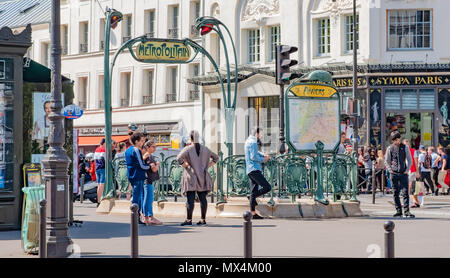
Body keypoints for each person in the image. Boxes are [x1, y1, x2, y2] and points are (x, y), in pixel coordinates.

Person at [177, 130, 219, 226]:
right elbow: (216, 158)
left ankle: (188, 220)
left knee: (190, 199)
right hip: (202, 176)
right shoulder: (205, 149)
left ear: (191, 138)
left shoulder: (188, 149)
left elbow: (178, 158)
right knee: (202, 198)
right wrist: (207, 166)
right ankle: (203, 219)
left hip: (191, 175)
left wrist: (186, 165)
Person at [385, 132, 414, 218]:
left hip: (403, 173)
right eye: (396, 140)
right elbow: (386, 161)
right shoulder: (390, 148)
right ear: (393, 140)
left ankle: (406, 211)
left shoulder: (405, 147)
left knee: (405, 192)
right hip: (394, 173)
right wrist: (390, 170)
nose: (398, 141)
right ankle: (398, 211)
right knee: (395, 193)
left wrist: (407, 170)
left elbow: (410, 160)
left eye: (399, 139)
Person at [244, 127, 271, 219]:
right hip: (254, 169)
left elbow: (255, 152)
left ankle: (253, 213)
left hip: (250, 169)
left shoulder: (248, 141)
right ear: (257, 134)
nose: (261, 136)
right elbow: (253, 156)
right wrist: (264, 159)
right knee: (267, 187)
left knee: (254, 190)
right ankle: (251, 197)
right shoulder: (253, 142)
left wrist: (263, 155)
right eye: (261, 134)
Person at [126, 132, 150, 225]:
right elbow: (141, 164)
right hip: (137, 174)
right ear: (136, 141)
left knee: (136, 195)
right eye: (142, 141)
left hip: (131, 174)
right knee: (137, 196)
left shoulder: (128, 150)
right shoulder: (136, 150)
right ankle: (136, 217)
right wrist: (149, 167)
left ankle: (136, 216)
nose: (143, 143)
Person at [141, 140, 163, 225]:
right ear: (148, 147)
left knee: (145, 198)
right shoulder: (148, 156)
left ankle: (145, 216)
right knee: (149, 199)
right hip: (148, 179)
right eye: (153, 147)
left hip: (144, 179)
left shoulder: (144, 156)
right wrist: (157, 164)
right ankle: (149, 217)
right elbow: (154, 169)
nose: (155, 148)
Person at [403, 139, 420, 208]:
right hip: (404, 170)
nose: (406, 145)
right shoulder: (402, 151)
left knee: (409, 186)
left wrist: (417, 171)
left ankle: (408, 202)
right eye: (405, 144)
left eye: (407, 144)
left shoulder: (413, 151)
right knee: (408, 186)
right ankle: (415, 201)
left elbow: (416, 162)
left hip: (411, 170)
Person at [94, 139, 106, 204]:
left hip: (97, 169)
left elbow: (95, 160)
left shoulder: (96, 150)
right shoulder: (103, 150)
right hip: (102, 168)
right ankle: (100, 200)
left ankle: (98, 200)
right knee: (102, 185)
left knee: (98, 185)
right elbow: (105, 159)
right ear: (104, 143)